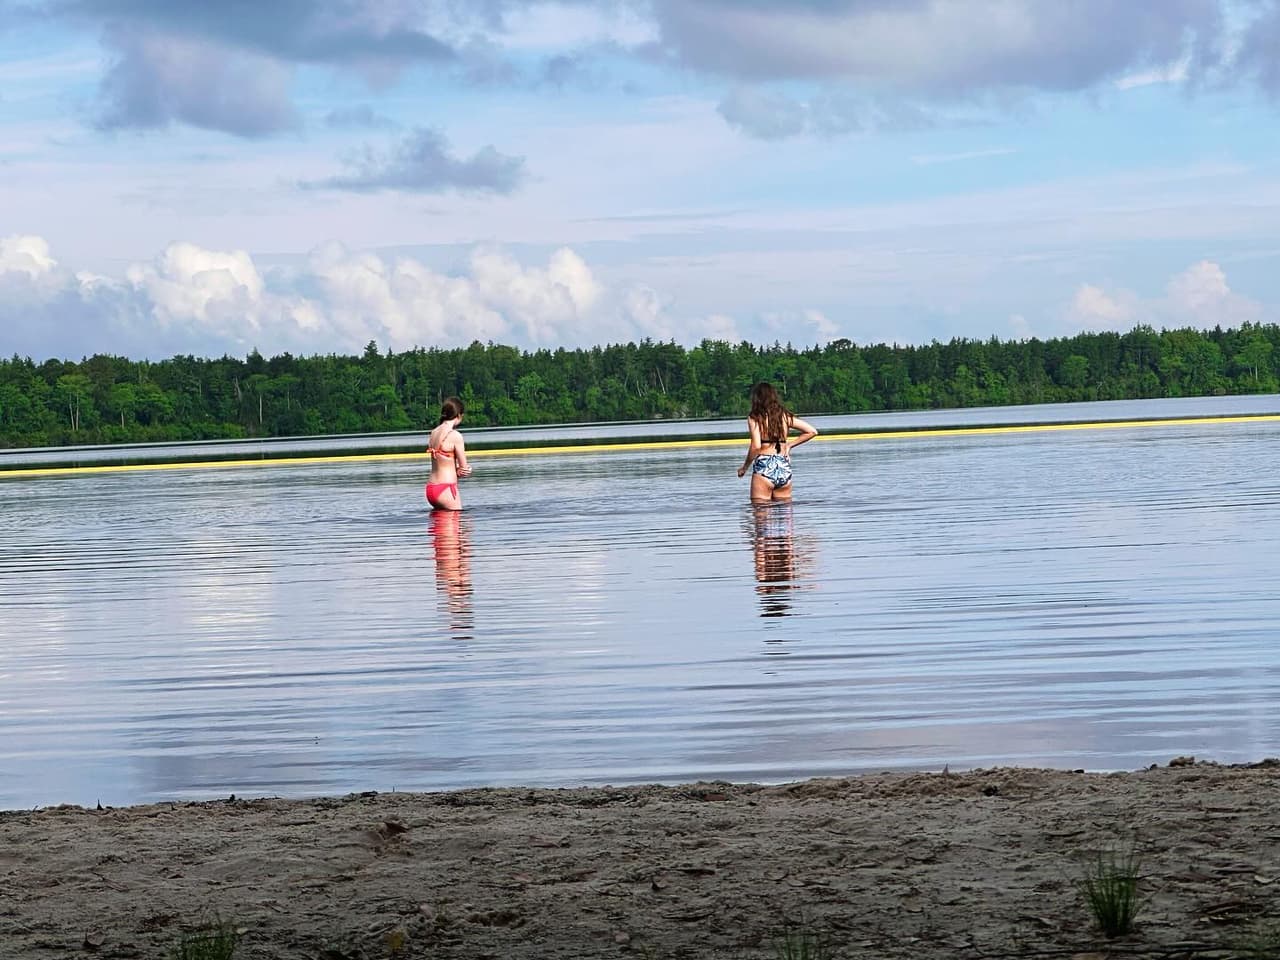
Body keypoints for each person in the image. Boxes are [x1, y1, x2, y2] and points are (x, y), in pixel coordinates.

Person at [736, 381, 818, 502]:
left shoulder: (755, 417)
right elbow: (812, 431)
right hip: (783, 465)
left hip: (764, 466)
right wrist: (789, 446)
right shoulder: (784, 416)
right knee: (784, 514)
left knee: (760, 512)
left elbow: (756, 446)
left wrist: (744, 467)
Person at [424, 397, 472, 511]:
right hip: (446, 488)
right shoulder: (455, 436)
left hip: (431, 489)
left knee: (439, 527)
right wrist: (468, 470)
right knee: (457, 521)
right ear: (459, 415)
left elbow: (442, 463)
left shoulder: (433, 433)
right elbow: (463, 469)